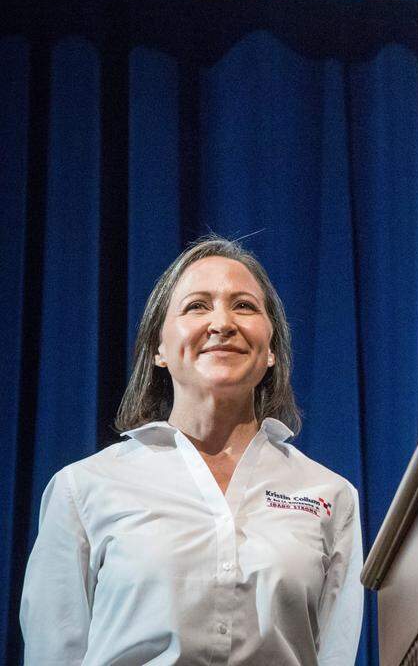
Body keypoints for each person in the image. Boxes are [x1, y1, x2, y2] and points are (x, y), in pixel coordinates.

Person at [21, 237, 363, 664]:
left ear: (271, 349)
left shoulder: (331, 495)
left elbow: (335, 652)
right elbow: (52, 653)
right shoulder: (83, 488)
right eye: (197, 306)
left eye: (244, 306)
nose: (222, 322)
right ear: (159, 350)